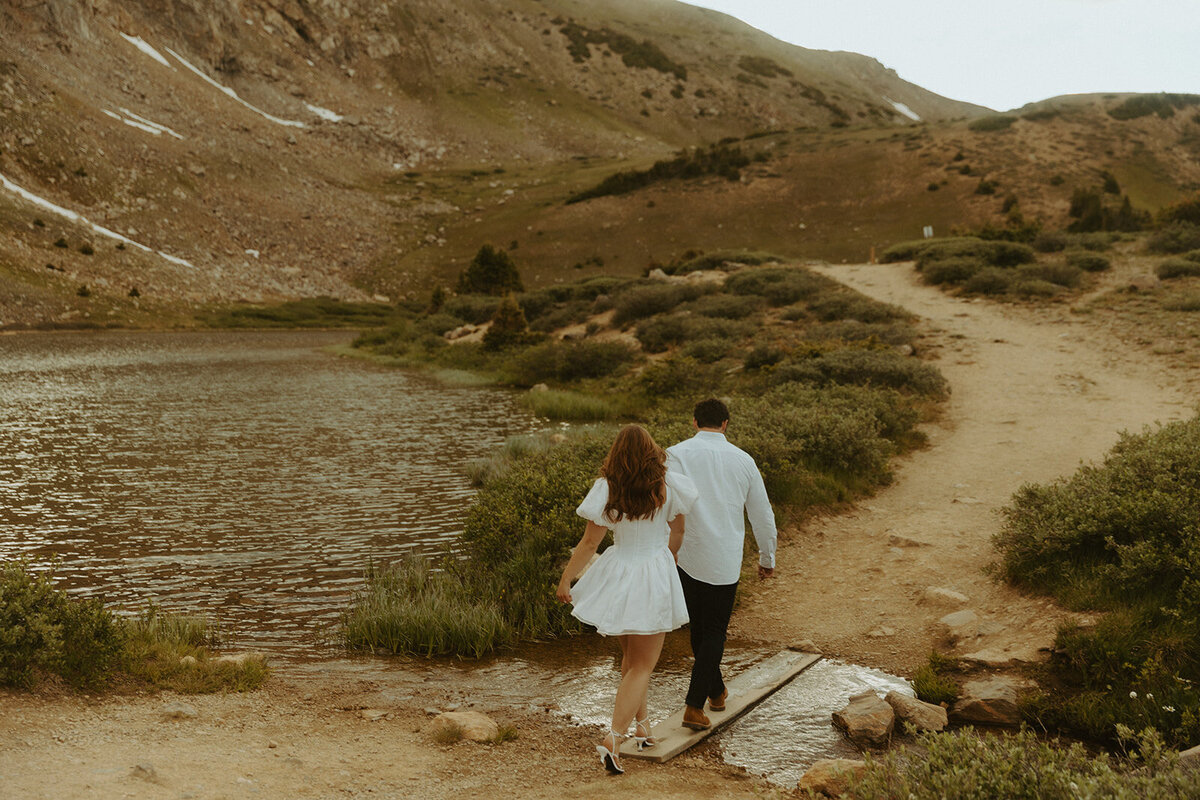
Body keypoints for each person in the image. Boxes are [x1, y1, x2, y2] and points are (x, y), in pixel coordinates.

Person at [556, 424, 698, 775]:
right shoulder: (667, 484)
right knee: (642, 666)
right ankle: (614, 738)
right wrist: (669, 557)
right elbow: (678, 531)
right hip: (653, 572)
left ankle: (644, 727)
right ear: (652, 450)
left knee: (631, 660)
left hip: (618, 572)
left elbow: (590, 544)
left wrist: (566, 578)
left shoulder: (607, 488)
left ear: (616, 453)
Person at [666, 398, 776, 731]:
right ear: (725, 424)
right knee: (713, 631)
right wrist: (766, 557)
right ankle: (693, 705)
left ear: (695, 421)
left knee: (699, 631)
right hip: (724, 558)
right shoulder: (744, 460)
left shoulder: (675, 454)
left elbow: (663, 504)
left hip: (683, 553)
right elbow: (761, 514)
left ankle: (715, 691)